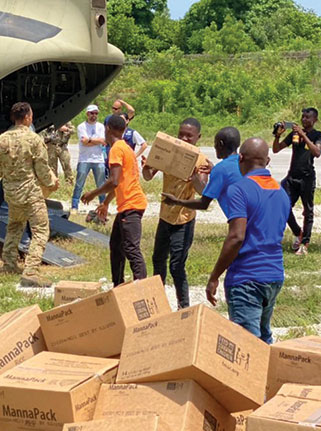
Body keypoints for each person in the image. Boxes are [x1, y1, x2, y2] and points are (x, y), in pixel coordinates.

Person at [205, 138, 290, 344]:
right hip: (274, 274)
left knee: (246, 345)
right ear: (267, 161)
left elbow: (236, 237)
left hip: (247, 277)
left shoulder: (240, 189)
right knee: (263, 339)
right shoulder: (281, 192)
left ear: (240, 158)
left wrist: (215, 276)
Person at [144, 118, 211, 309]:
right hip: (165, 216)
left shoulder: (200, 159)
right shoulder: (170, 152)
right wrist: (149, 166)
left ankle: (184, 306)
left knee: (177, 266)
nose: (184, 138)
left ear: (198, 137)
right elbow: (148, 177)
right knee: (158, 260)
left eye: (189, 136)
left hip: (184, 219)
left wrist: (194, 177)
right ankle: (158, 302)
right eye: (181, 134)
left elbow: (202, 191)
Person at [0, 102, 59, 287]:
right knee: (40, 230)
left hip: (11, 192)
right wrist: (52, 183)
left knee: (14, 226)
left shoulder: (2, 139)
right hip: (30, 192)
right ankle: (31, 271)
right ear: (28, 117)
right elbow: (42, 168)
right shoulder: (34, 139)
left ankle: (9, 263)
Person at [82, 115, 148, 286]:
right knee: (116, 246)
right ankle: (118, 286)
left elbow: (114, 180)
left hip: (131, 206)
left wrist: (93, 194)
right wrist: (106, 203)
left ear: (108, 128)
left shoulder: (116, 149)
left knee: (131, 249)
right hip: (128, 205)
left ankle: (144, 288)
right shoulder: (126, 148)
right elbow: (121, 182)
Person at [272, 108, 321, 255]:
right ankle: (297, 232)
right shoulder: (294, 134)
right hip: (291, 177)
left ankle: (305, 243)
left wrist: (304, 136)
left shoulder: (317, 135)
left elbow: (317, 152)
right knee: (283, 205)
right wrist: (277, 136)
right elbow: (276, 149)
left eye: (308, 117)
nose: (304, 119)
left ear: (315, 120)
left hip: (307, 178)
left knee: (308, 211)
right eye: (303, 117)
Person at [162, 126, 242, 217]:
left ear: (220, 144)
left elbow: (203, 204)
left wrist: (176, 201)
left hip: (241, 222)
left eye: (215, 143)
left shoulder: (221, 169)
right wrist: (214, 171)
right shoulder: (243, 163)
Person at [71, 105, 107, 212]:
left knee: (101, 185)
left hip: (98, 158)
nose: (94, 115)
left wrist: (90, 140)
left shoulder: (101, 127)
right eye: (92, 113)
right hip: (84, 159)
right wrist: (96, 141)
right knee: (79, 183)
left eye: (96, 113)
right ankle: (74, 206)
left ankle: (103, 205)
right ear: (87, 114)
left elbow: (103, 141)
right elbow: (84, 142)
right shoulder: (81, 126)